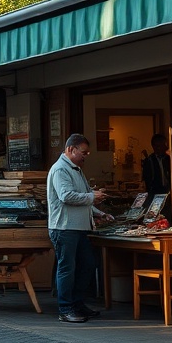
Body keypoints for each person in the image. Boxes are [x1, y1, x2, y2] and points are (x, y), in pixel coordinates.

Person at [47, 133, 114, 324]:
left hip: (79, 227)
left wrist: (98, 213)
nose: (85, 156)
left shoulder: (76, 169)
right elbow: (66, 196)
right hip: (64, 227)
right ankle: (65, 308)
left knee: (87, 265)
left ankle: (77, 304)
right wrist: (92, 197)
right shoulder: (61, 169)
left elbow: (82, 197)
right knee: (67, 268)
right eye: (83, 152)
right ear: (70, 149)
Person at [142, 133, 172, 198]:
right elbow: (147, 180)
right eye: (162, 145)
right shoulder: (149, 161)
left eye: (165, 145)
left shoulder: (169, 159)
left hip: (169, 193)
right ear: (155, 147)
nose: (166, 148)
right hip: (155, 194)